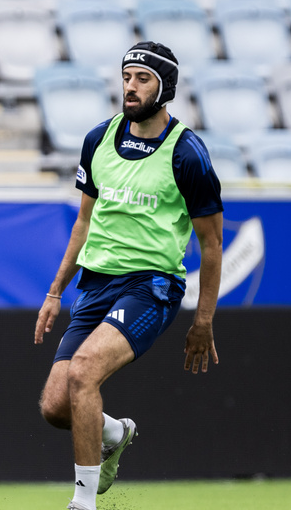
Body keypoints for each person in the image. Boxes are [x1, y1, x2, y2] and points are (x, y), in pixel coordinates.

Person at [33, 41, 224, 510]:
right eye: (126, 77)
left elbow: (212, 245)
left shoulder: (188, 154)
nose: (131, 87)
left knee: (83, 373)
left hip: (152, 285)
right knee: (55, 406)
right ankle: (115, 433)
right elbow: (83, 223)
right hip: (96, 283)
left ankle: (82, 504)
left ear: (167, 87)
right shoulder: (98, 138)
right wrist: (55, 291)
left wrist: (203, 321)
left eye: (143, 79)